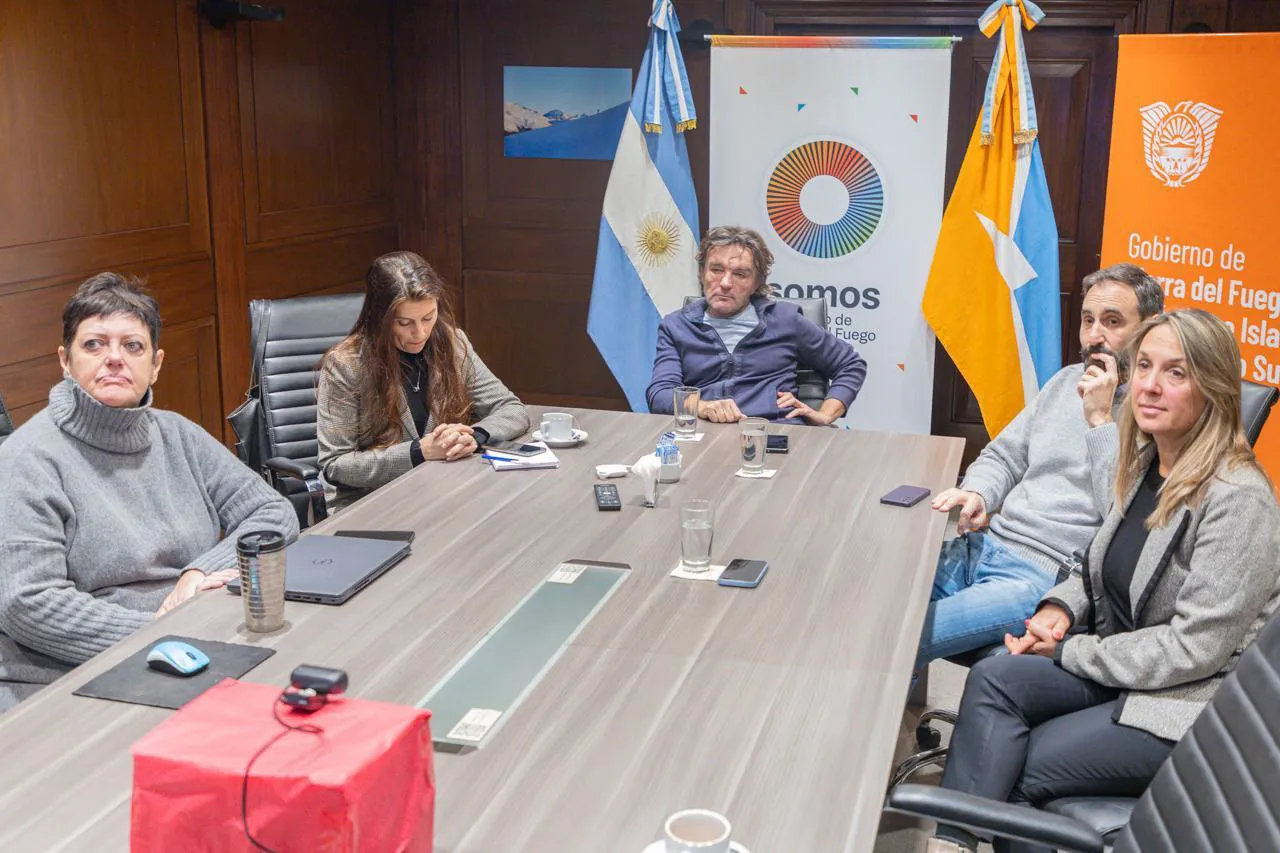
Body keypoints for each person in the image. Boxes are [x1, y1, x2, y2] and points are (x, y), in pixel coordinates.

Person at [925, 309, 1280, 853]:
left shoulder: (1239, 500)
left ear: (1214, 389)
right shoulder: (1147, 462)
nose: (1150, 386)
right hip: (1125, 664)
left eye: (1176, 373)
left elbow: (1194, 650)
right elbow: (1095, 564)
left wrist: (1069, 652)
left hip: (1186, 702)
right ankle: (955, 842)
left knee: (1019, 766)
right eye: (1143, 366)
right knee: (996, 678)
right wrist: (1058, 611)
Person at [0, 273, 298, 712]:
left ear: (156, 363)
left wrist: (196, 574)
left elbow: (273, 512)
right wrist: (157, 630)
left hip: (192, 644)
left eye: (132, 346)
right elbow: (29, 603)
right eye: (94, 344)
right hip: (71, 674)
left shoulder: (177, 435)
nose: (114, 358)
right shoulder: (27, 458)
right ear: (65, 360)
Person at [917, 264, 1164, 675]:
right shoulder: (1066, 381)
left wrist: (1101, 421)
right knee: (880, 606)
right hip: (981, 546)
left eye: (1112, 321)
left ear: (1150, 328)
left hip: (1040, 578)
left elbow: (1124, 517)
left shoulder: (1157, 414)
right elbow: (1005, 455)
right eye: (1088, 320)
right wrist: (977, 492)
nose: (1094, 336)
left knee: (902, 635)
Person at [317, 251, 529, 511]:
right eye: (405, 323)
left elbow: (511, 408)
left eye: (428, 317)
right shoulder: (346, 364)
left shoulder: (453, 343)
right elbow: (335, 465)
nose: (420, 333)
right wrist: (418, 452)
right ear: (380, 318)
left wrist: (474, 436)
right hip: (374, 504)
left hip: (445, 492)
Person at [645, 225, 867, 425]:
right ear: (702, 273)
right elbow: (660, 394)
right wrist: (703, 407)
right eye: (716, 269)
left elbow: (850, 364)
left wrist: (825, 414)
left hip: (776, 430)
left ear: (756, 283)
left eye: (740, 274)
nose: (724, 283)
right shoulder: (676, 326)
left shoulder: (784, 320)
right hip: (704, 432)